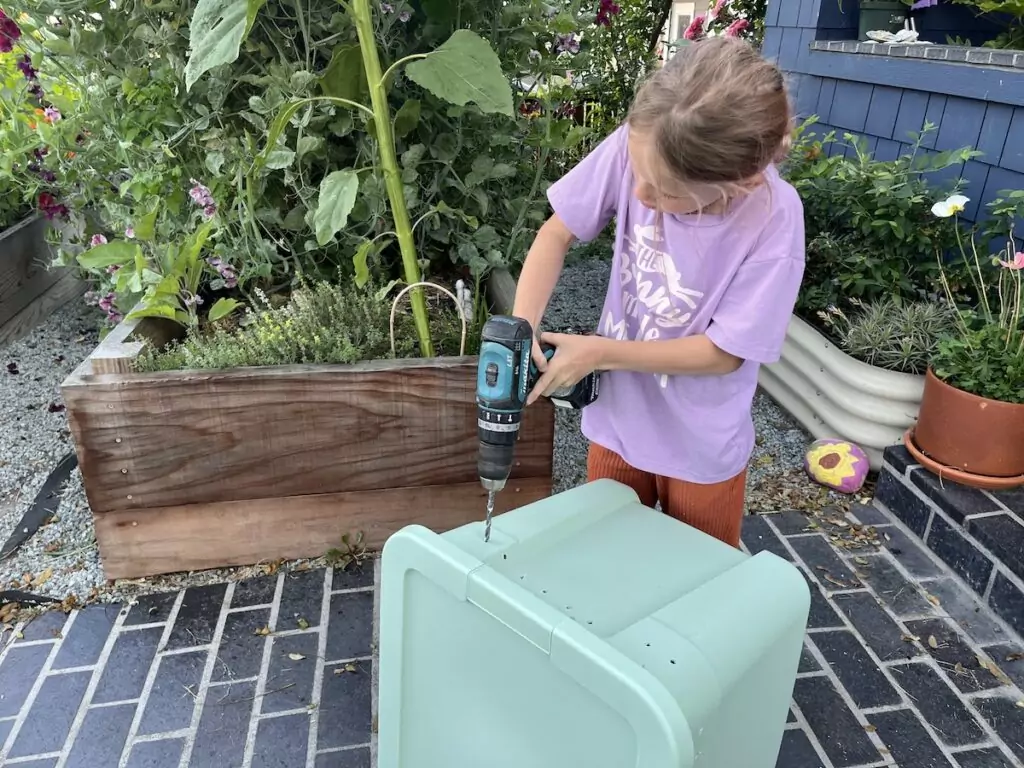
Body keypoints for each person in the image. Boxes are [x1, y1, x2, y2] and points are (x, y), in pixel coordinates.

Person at [512, 36, 805, 548]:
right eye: (638, 174)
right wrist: (521, 327)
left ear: (740, 184)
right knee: (610, 555)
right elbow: (555, 233)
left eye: (666, 192)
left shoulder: (774, 217)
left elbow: (724, 355)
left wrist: (601, 352)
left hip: (701, 446)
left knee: (698, 573)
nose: (640, 194)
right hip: (617, 426)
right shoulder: (643, 143)